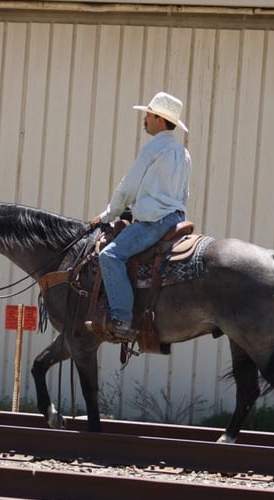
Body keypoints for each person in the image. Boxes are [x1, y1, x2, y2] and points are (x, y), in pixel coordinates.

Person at [88, 91, 191, 341]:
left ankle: (122, 319)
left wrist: (108, 214)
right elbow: (184, 193)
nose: (144, 118)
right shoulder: (183, 152)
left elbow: (128, 186)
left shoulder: (153, 148)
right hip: (176, 218)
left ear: (159, 119)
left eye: (148, 114)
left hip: (154, 222)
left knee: (110, 256)